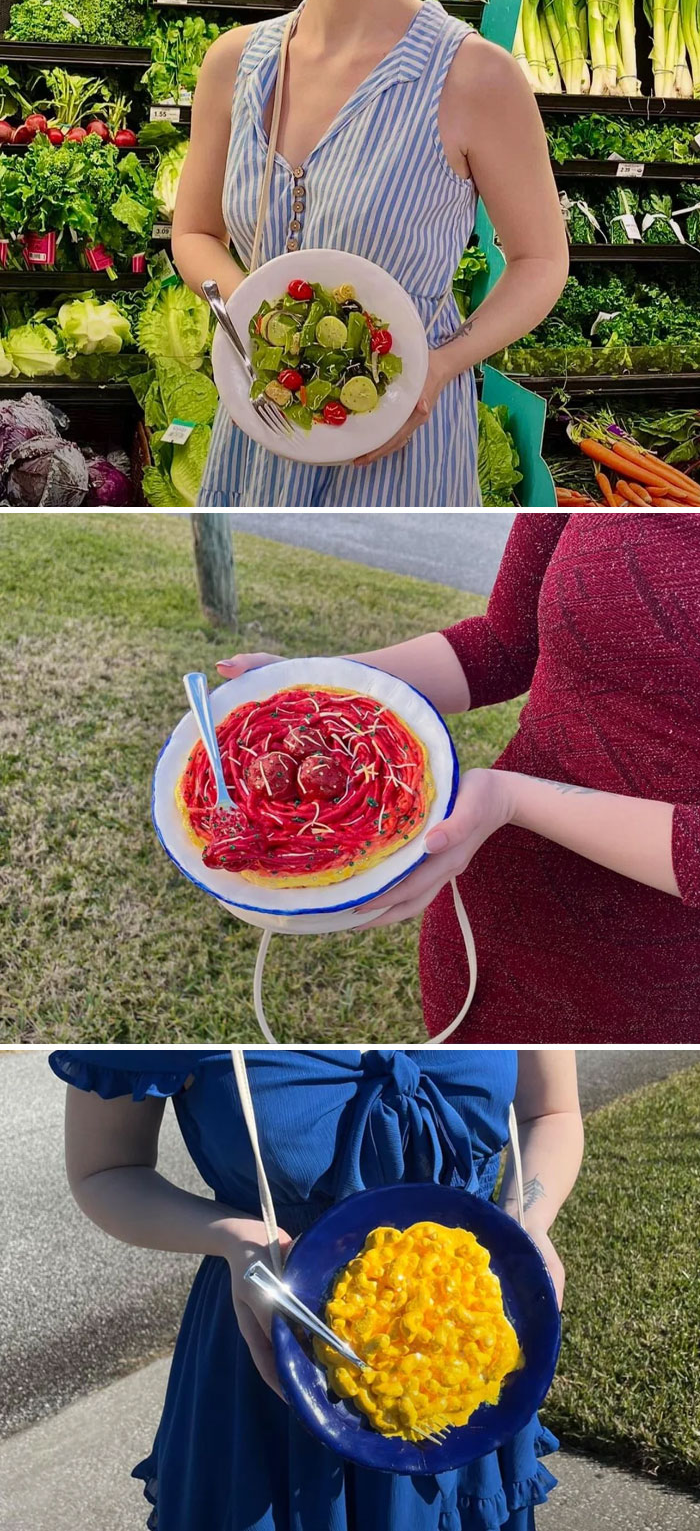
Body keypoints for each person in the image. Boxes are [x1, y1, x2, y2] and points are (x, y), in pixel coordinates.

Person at [51, 1046, 583, 1531]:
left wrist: (525, 1224)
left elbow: (549, 1112)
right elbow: (105, 1169)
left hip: (471, 1366)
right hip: (274, 1344)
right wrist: (241, 1242)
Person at [218, 515, 700, 1043]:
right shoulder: (590, 464)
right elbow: (504, 645)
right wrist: (322, 683)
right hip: (491, 912)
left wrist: (514, 798)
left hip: (654, 982)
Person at [173, 0, 568, 507]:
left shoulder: (474, 75)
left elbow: (540, 261)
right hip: (264, 419)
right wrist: (267, 314)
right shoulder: (235, 62)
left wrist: (442, 366)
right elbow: (194, 233)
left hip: (399, 433)